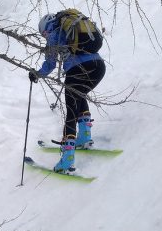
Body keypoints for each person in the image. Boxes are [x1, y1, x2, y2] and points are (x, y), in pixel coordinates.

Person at [29, 9, 106, 173]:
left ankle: (67, 160)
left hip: (77, 70)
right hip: (99, 67)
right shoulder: (72, 27)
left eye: (43, 34)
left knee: (71, 112)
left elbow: (50, 64)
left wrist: (37, 74)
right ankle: (84, 137)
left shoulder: (53, 34)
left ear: (46, 28)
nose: (45, 37)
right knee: (80, 96)